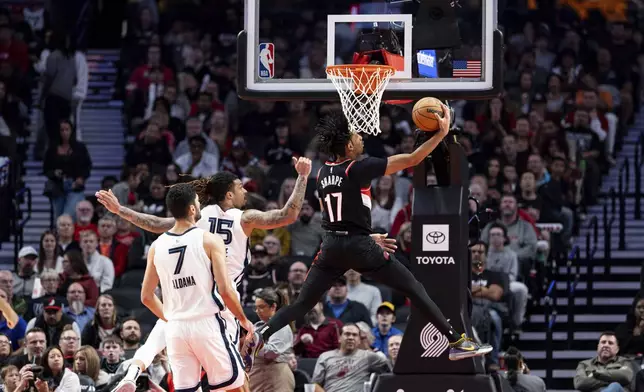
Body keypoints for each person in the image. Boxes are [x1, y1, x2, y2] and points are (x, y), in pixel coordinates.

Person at [98, 158, 397, 387]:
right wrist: (303, 177)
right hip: (220, 306)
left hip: (188, 296)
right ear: (229, 194)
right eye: (241, 188)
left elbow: (154, 224)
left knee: (172, 335)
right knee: (232, 379)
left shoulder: (195, 218)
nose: (245, 191)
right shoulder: (246, 218)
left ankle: (135, 369)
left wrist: (120, 210)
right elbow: (288, 215)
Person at [244, 103, 492, 369]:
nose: (361, 137)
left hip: (331, 246)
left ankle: (260, 334)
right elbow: (413, 159)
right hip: (358, 245)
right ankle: (456, 343)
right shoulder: (358, 168)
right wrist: (441, 134)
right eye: (356, 136)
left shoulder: (323, 171)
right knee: (415, 289)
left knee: (302, 303)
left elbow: (344, 211)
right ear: (348, 147)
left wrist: (368, 235)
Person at [138, 183, 252, 392]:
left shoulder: (156, 246)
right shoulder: (209, 240)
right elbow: (225, 290)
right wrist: (244, 320)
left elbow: (146, 297)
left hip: (176, 330)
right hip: (206, 324)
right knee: (236, 387)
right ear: (192, 209)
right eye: (198, 204)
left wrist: (171, 318)